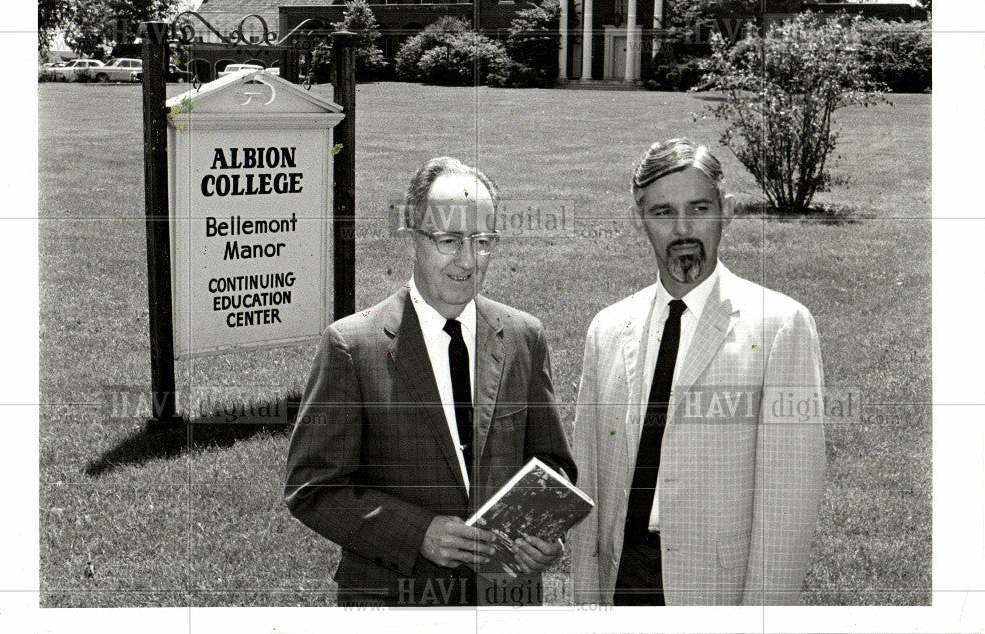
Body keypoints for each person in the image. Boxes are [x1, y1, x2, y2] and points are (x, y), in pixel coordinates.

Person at [285, 156, 577, 607]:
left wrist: (544, 532)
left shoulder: (524, 337)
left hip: (505, 600)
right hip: (398, 600)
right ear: (412, 239)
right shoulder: (352, 347)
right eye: (449, 240)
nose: (467, 260)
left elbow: (552, 462)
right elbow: (313, 489)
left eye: (483, 241)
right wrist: (417, 533)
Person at [571, 138, 825, 606]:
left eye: (700, 208)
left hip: (715, 586)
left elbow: (788, 506)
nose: (683, 229)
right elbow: (588, 479)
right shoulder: (607, 329)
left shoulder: (779, 326)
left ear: (726, 212)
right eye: (663, 212)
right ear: (638, 219)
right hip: (621, 576)